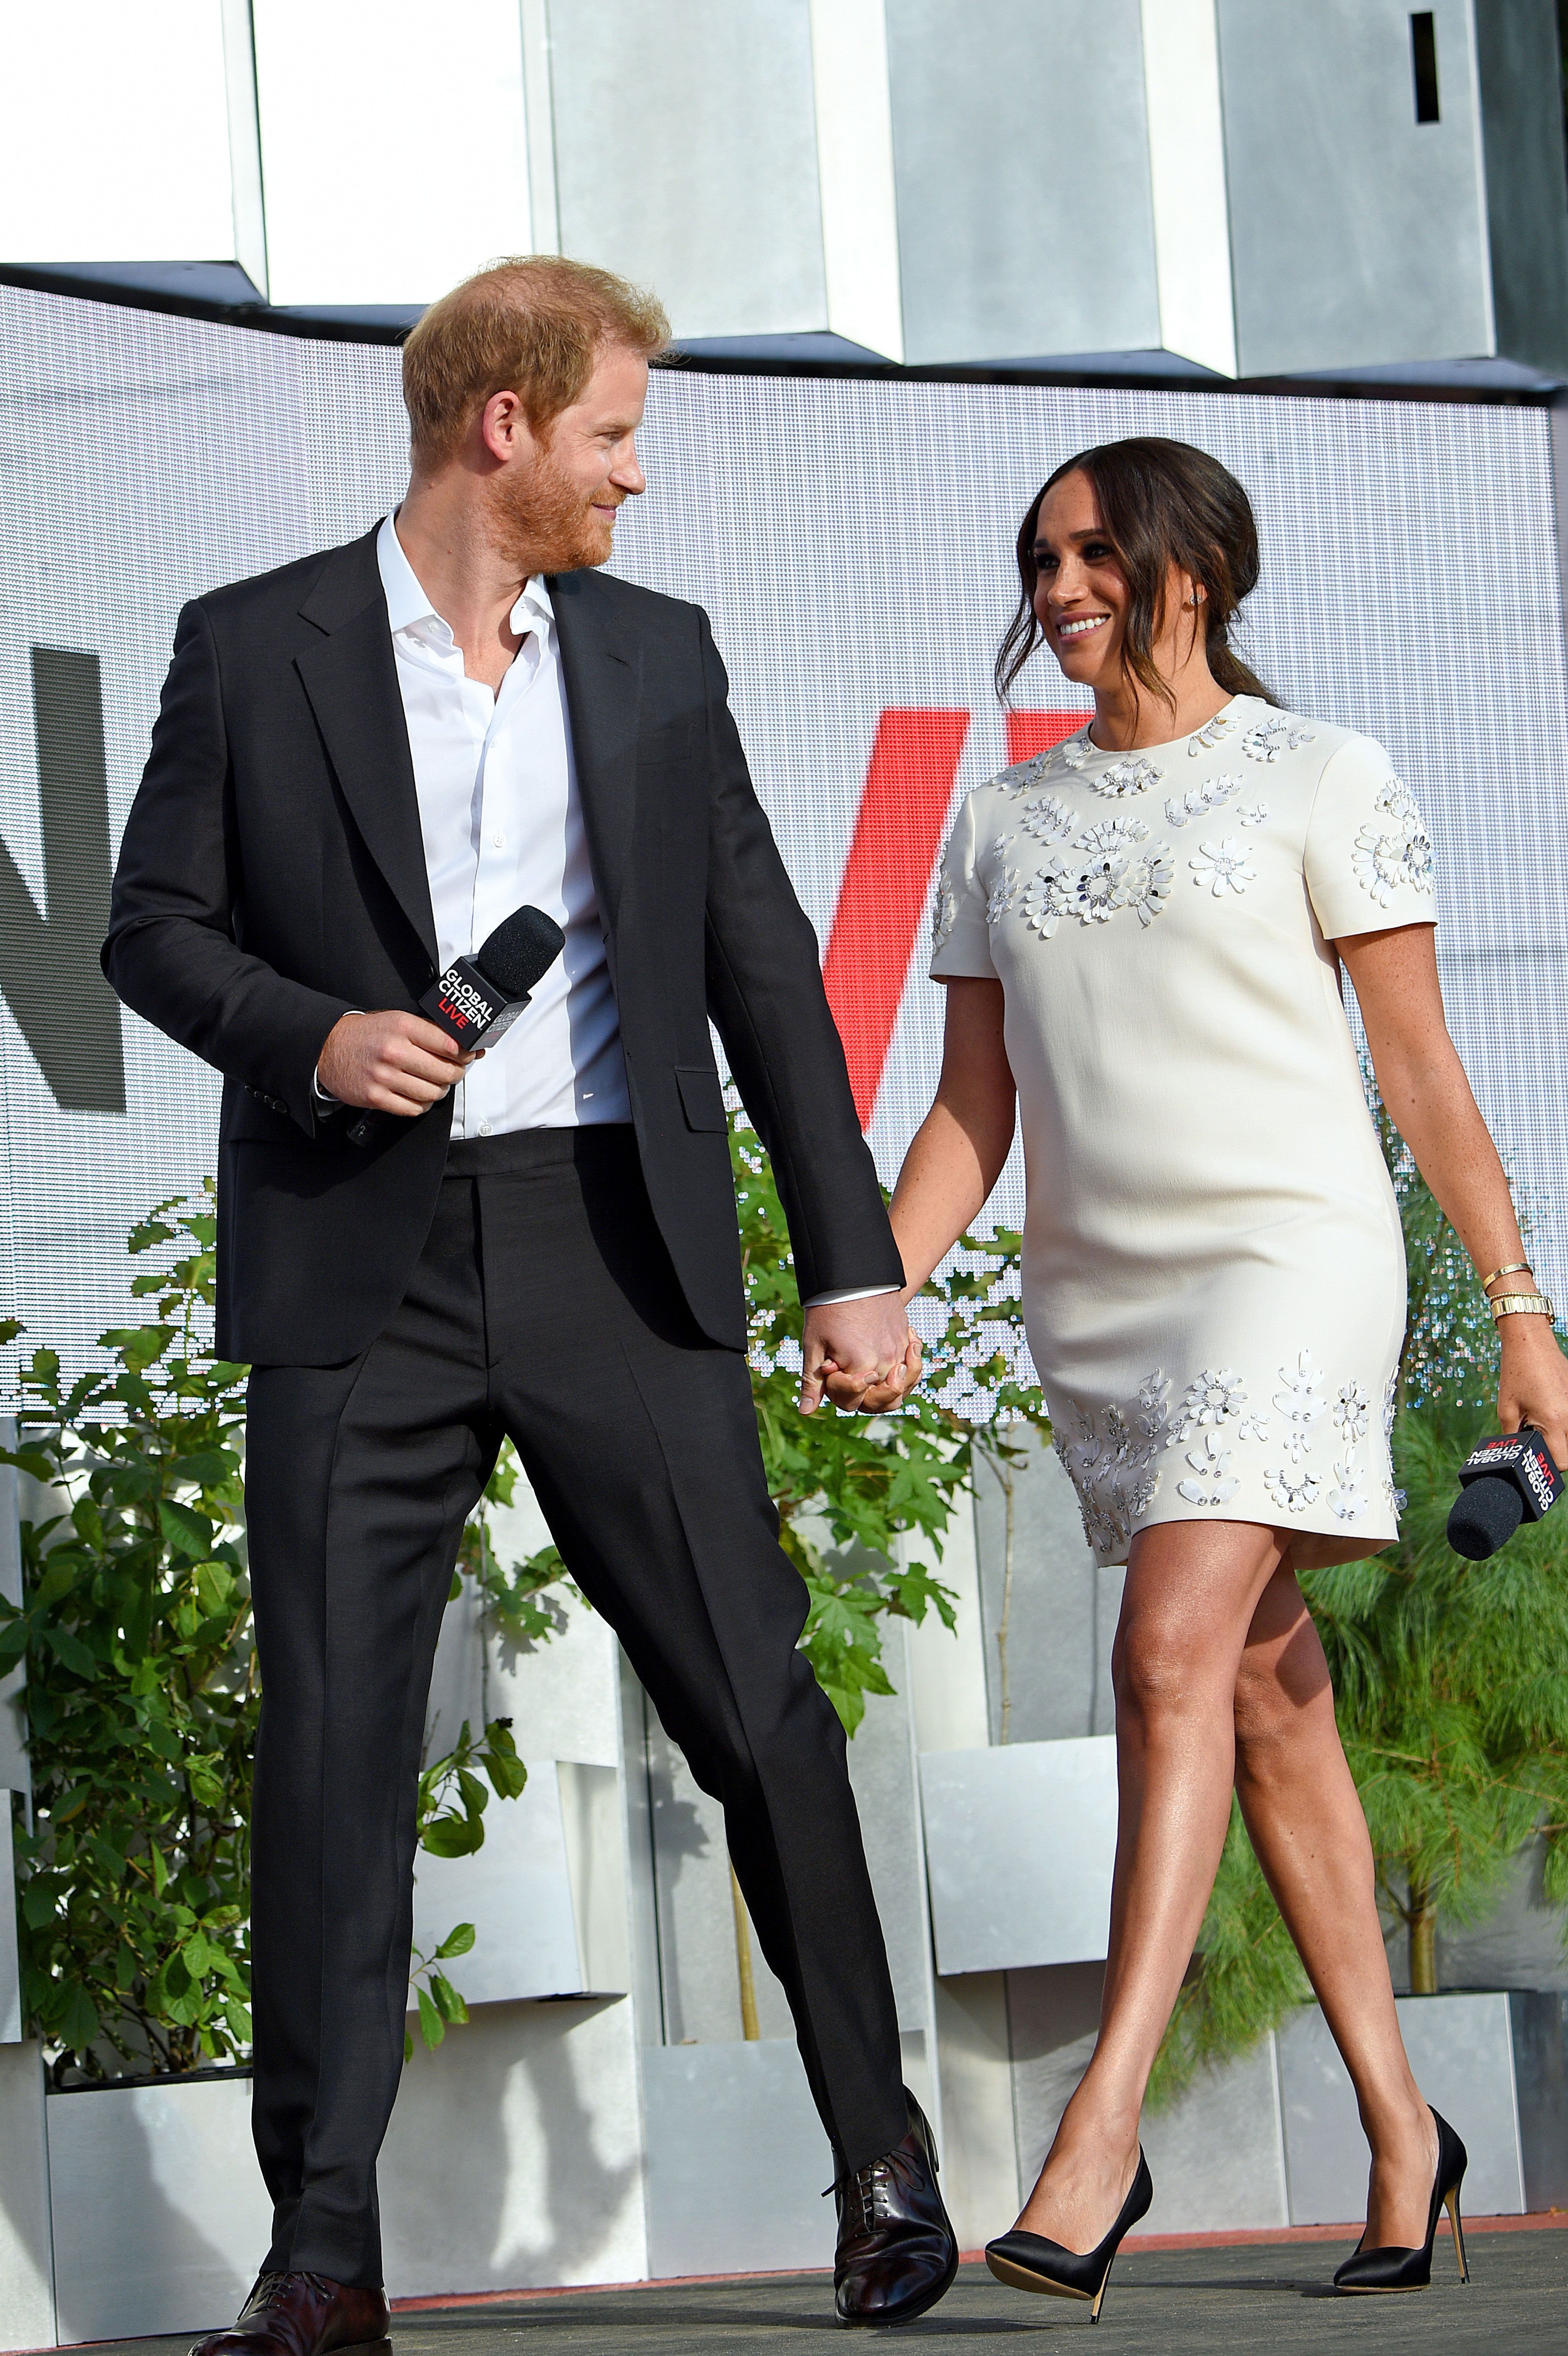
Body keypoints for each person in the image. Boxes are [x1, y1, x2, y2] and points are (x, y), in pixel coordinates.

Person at [103, 255, 957, 2347]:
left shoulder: (656, 660)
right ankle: (321, 2264)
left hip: (616, 1249)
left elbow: (760, 957)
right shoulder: (254, 647)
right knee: (331, 1762)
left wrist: (851, 1260)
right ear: (503, 427)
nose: (631, 478)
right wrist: (311, 1035)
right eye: (609, 435)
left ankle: (882, 2171)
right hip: (353, 1267)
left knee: (757, 1707)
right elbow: (148, 928)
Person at [884, 435, 1568, 2316]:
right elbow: (970, 1110)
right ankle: (1406, 2134)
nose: (1061, 584)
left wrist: (1521, 1309)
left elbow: (1421, 1074)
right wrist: (876, 1285)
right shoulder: (1000, 820)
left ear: (1196, 564)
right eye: (1040, 556)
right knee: (1267, 1699)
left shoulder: (1322, 774)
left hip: (1293, 1263)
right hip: (1104, 1301)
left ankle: (1100, 2131)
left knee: (1171, 1654)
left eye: (1097, 549)